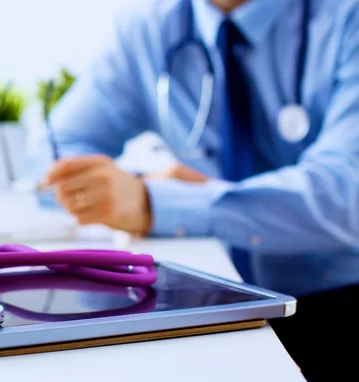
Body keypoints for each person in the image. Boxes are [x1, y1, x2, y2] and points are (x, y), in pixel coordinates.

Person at [25, 0, 359, 380]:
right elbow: (52, 152)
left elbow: (345, 197)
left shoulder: (347, 17)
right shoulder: (149, 30)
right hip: (206, 302)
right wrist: (133, 190)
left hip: (338, 306)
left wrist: (160, 204)